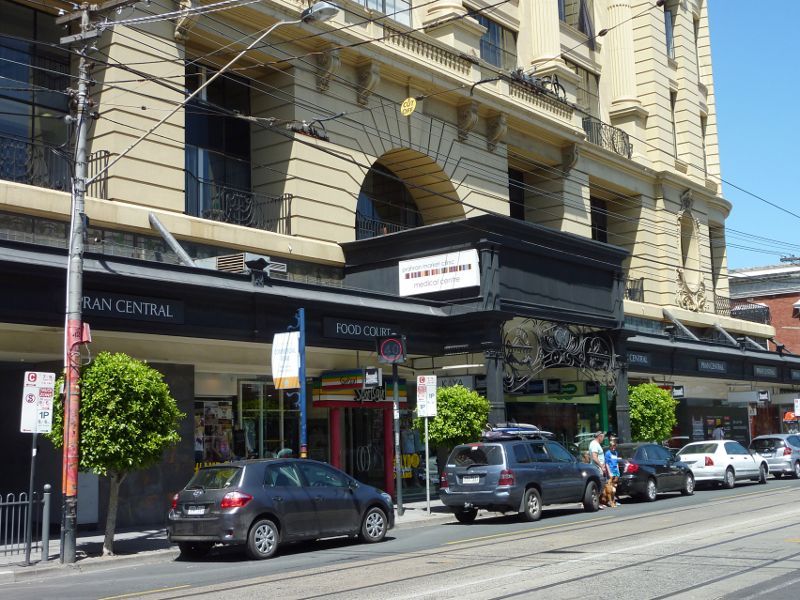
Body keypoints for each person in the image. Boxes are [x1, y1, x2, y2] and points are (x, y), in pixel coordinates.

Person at [604, 438, 621, 507]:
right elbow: (607, 463)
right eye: (612, 446)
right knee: (609, 488)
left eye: (615, 446)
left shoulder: (615, 453)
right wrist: (609, 472)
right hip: (611, 471)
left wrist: (618, 470)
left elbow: (616, 462)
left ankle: (614, 501)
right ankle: (610, 502)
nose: (614, 448)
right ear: (610, 446)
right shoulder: (607, 453)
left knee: (614, 487)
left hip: (616, 471)